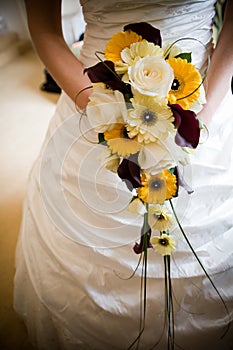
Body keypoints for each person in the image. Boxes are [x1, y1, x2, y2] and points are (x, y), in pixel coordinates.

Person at [14, 1, 233, 350]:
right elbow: (46, 33)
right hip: (92, 99)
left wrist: (195, 124)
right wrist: (112, 118)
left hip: (205, 97)